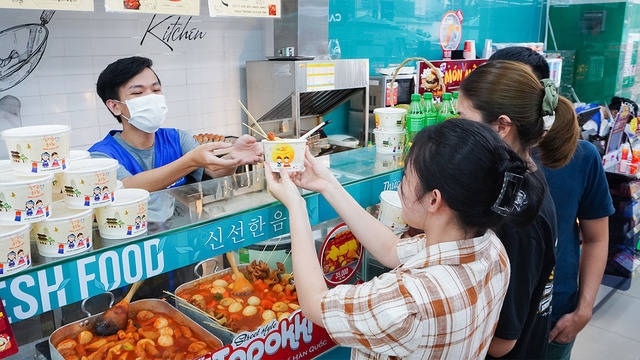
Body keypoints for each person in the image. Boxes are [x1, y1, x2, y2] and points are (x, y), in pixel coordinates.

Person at [265, 118, 543, 359]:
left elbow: (315, 304)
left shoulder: (411, 301)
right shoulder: (490, 248)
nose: (401, 184)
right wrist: (326, 183)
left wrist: (296, 206)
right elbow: (391, 249)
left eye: (406, 175)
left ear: (434, 200)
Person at [489, 46, 615, 360]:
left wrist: (583, 310)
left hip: (554, 311)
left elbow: (596, 237)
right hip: (489, 316)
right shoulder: (479, 157)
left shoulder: (581, 156)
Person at [458, 59, 580, 359]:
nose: (457, 129)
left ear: (502, 126)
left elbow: (502, 342)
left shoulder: (515, 215)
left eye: (463, 118)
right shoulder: (525, 175)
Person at [90, 56, 263, 222]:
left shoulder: (178, 138)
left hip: (184, 235)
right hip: (137, 244)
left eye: (156, 90)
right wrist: (190, 161)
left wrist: (234, 158)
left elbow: (215, 171)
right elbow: (127, 188)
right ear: (114, 106)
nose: (151, 97)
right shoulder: (101, 157)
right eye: (138, 92)